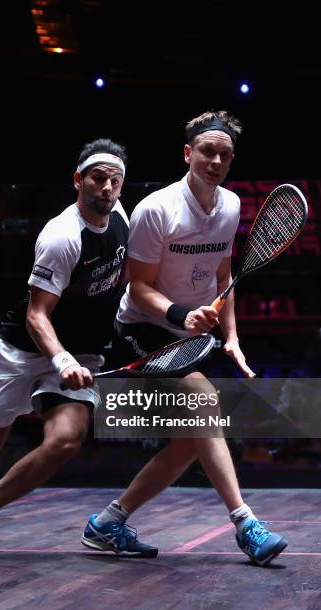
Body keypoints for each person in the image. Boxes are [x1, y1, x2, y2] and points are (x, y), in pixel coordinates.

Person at [0, 138, 157, 562]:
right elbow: (37, 316)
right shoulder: (61, 237)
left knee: (66, 440)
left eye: (115, 180)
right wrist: (62, 359)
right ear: (78, 180)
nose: (107, 187)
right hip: (20, 351)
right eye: (98, 178)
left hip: (81, 353)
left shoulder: (121, 218)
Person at [81, 111, 288, 565]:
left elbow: (223, 275)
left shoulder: (231, 207)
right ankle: (245, 524)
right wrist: (181, 314)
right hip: (142, 328)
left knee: (192, 440)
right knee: (205, 401)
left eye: (225, 154)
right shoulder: (157, 209)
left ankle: (108, 522)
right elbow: (137, 287)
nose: (216, 160)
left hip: (193, 334)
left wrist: (231, 336)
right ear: (188, 153)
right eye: (208, 151)